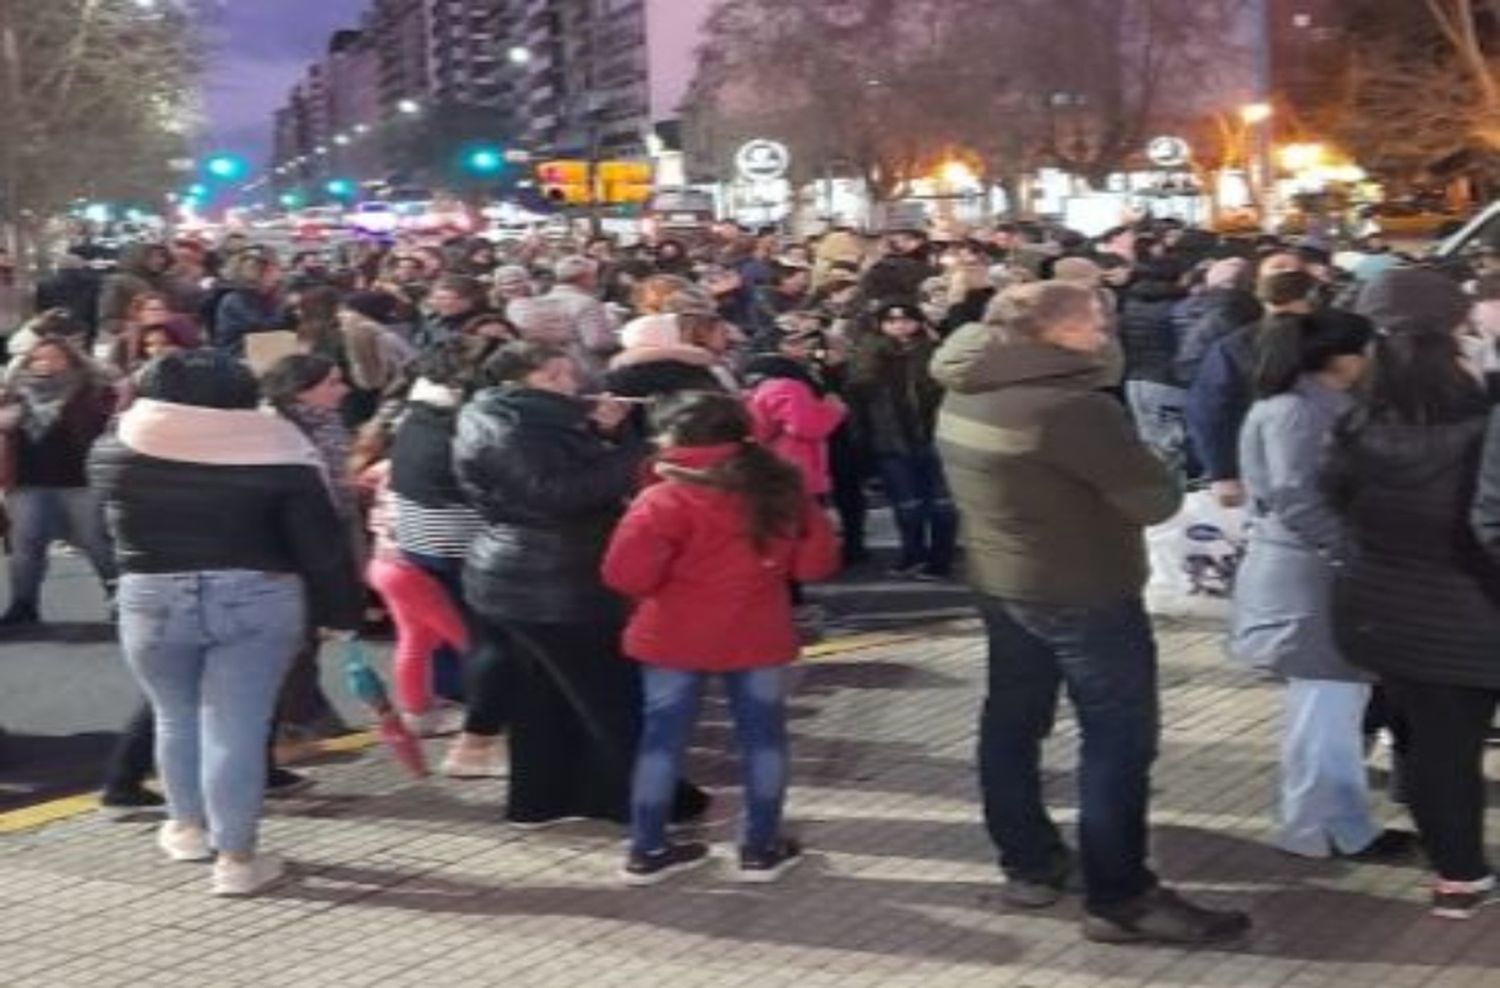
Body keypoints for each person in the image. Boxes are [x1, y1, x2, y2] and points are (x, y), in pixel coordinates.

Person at [932, 280, 1250, 944]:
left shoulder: (966, 384)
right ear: (1048, 333)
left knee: (1013, 722)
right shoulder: (1072, 409)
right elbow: (1155, 502)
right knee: (1118, 738)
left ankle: (1031, 863)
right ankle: (1121, 895)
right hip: (1083, 588)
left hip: (1002, 578)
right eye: (1092, 326)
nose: (1106, 335)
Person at [88, 350, 362, 895]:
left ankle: (186, 828)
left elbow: (106, 529)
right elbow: (320, 544)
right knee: (236, 726)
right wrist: (338, 612)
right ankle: (236, 860)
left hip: (151, 593)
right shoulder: (281, 447)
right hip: (257, 594)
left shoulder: (113, 448)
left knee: (174, 716)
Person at [453, 341, 705, 826]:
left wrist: (599, 432)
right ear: (542, 376)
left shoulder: (502, 416)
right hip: (555, 579)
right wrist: (634, 453)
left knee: (543, 696)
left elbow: (549, 472)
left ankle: (544, 798)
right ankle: (650, 802)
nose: (576, 385)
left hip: (520, 573)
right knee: (609, 694)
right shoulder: (515, 426)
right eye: (566, 374)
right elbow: (555, 491)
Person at [603, 392, 839, 885]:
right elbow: (815, 563)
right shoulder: (779, 486)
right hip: (757, 632)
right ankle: (760, 847)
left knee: (661, 742)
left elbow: (624, 575)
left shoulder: (663, 497)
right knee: (764, 740)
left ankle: (647, 850)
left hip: (672, 635)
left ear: (674, 439)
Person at [1328, 270, 1500, 920]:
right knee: (1446, 750)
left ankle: (1457, 878)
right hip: (1476, 613)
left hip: (1388, 614)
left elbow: (1336, 508)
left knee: (1435, 750)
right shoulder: (1482, 427)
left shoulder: (1358, 422)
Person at [1229, 310, 1415, 861]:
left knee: (1333, 708)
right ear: (1343, 356)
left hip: (1315, 573)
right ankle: (1315, 829)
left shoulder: (1310, 405)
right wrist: (1352, 550)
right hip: (1310, 579)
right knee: (1324, 711)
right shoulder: (1297, 412)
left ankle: (1341, 824)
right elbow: (1296, 495)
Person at [386, 342, 489, 771]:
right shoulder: (456, 424)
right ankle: (478, 713)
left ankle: (436, 701)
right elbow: (474, 481)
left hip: (409, 543)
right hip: (454, 541)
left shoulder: (411, 416)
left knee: (425, 631)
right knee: (471, 633)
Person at [260, 355, 359, 741]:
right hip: (288, 546)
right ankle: (293, 723)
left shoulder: (327, 420)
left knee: (310, 634)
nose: (344, 388)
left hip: (328, 530)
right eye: (333, 382)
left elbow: (333, 477)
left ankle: (305, 716)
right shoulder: (272, 427)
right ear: (301, 389)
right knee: (297, 637)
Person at [0, 338, 117, 626]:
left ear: (71, 361)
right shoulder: (14, 395)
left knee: (95, 541)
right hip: (26, 481)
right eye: (37, 358)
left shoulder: (90, 392)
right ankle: (24, 604)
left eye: (53, 357)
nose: (44, 363)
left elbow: (104, 428)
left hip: (79, 479)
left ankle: (118, 599)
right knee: (25, 545)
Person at [1187, 269, 1320, 505]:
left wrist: (1222, 472)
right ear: (1310, 298)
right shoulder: (1333, 340)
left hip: (1257, 460)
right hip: (1320, 460)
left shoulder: (1233, 345)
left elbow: (1210, 411)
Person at [845, 302, 955, 578]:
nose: (900, 326)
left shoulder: (934, 353)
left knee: (942, 503)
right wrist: (861, 441)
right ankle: (912, 553)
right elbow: (858, 400)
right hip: (890, 439)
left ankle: (940, 558)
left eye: (906, 320)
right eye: (892, 321)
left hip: (935, 436)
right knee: (907, 504)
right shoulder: (868, 356)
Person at [744, 325, 846, 502]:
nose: (804, 346)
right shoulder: (786, 382)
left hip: (777, 460)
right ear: (776, 346)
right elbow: (806, 426)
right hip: (796, 461)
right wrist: (834, 410)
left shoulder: (758, 376)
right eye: (793, 342)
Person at [213, 250, 284, 358]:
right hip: (237, 355)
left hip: (267, 352)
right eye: (270, 271)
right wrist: (287, 312)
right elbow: (259, 328)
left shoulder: (273, 297)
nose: (277, 275)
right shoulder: (234, 300)